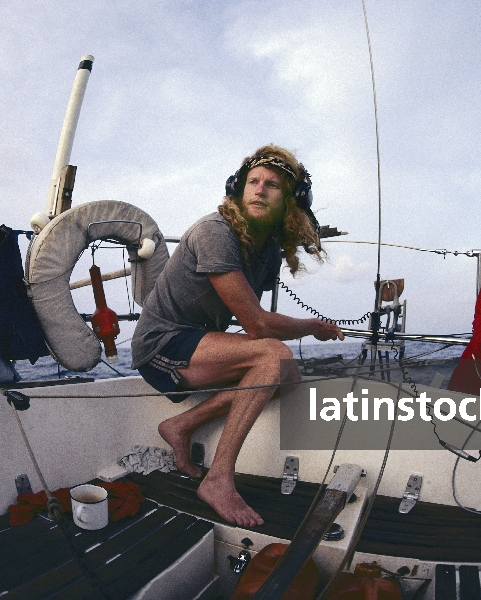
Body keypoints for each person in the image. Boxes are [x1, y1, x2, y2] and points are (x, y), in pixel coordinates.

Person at [130, 144, 344, 527]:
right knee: (274, 356)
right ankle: (218, 479)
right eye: (253, 181)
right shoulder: (216, 232)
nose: (260, 189)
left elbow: (254, 320)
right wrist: (312, 326)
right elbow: (257, 326)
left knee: (287, 374)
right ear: (238, 189)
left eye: (273, 185)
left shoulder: (267, 252)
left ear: (290, 201)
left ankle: (181, 424)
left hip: (196, 342)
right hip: (161, 345)